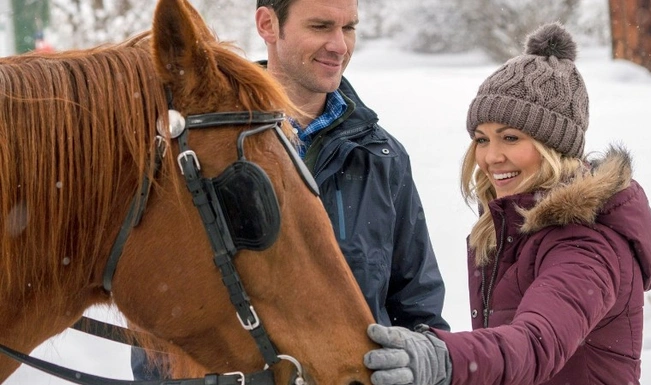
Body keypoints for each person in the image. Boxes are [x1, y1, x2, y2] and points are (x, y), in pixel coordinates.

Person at [131, 0, 449, 379]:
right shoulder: (193, 149)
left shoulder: (380, 157)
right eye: (320, 26)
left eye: (349, 28)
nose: (340, 46)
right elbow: (158, 308)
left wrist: (422, 364)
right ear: (268, 25)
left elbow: (416, 308)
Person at [363, 23, 651, 385]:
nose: (491, 157)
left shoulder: (585, 243)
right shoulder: (514, 227)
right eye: (481, 139)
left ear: (554, 146)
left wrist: (445, 360)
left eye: (510, 137)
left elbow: (536, 342)